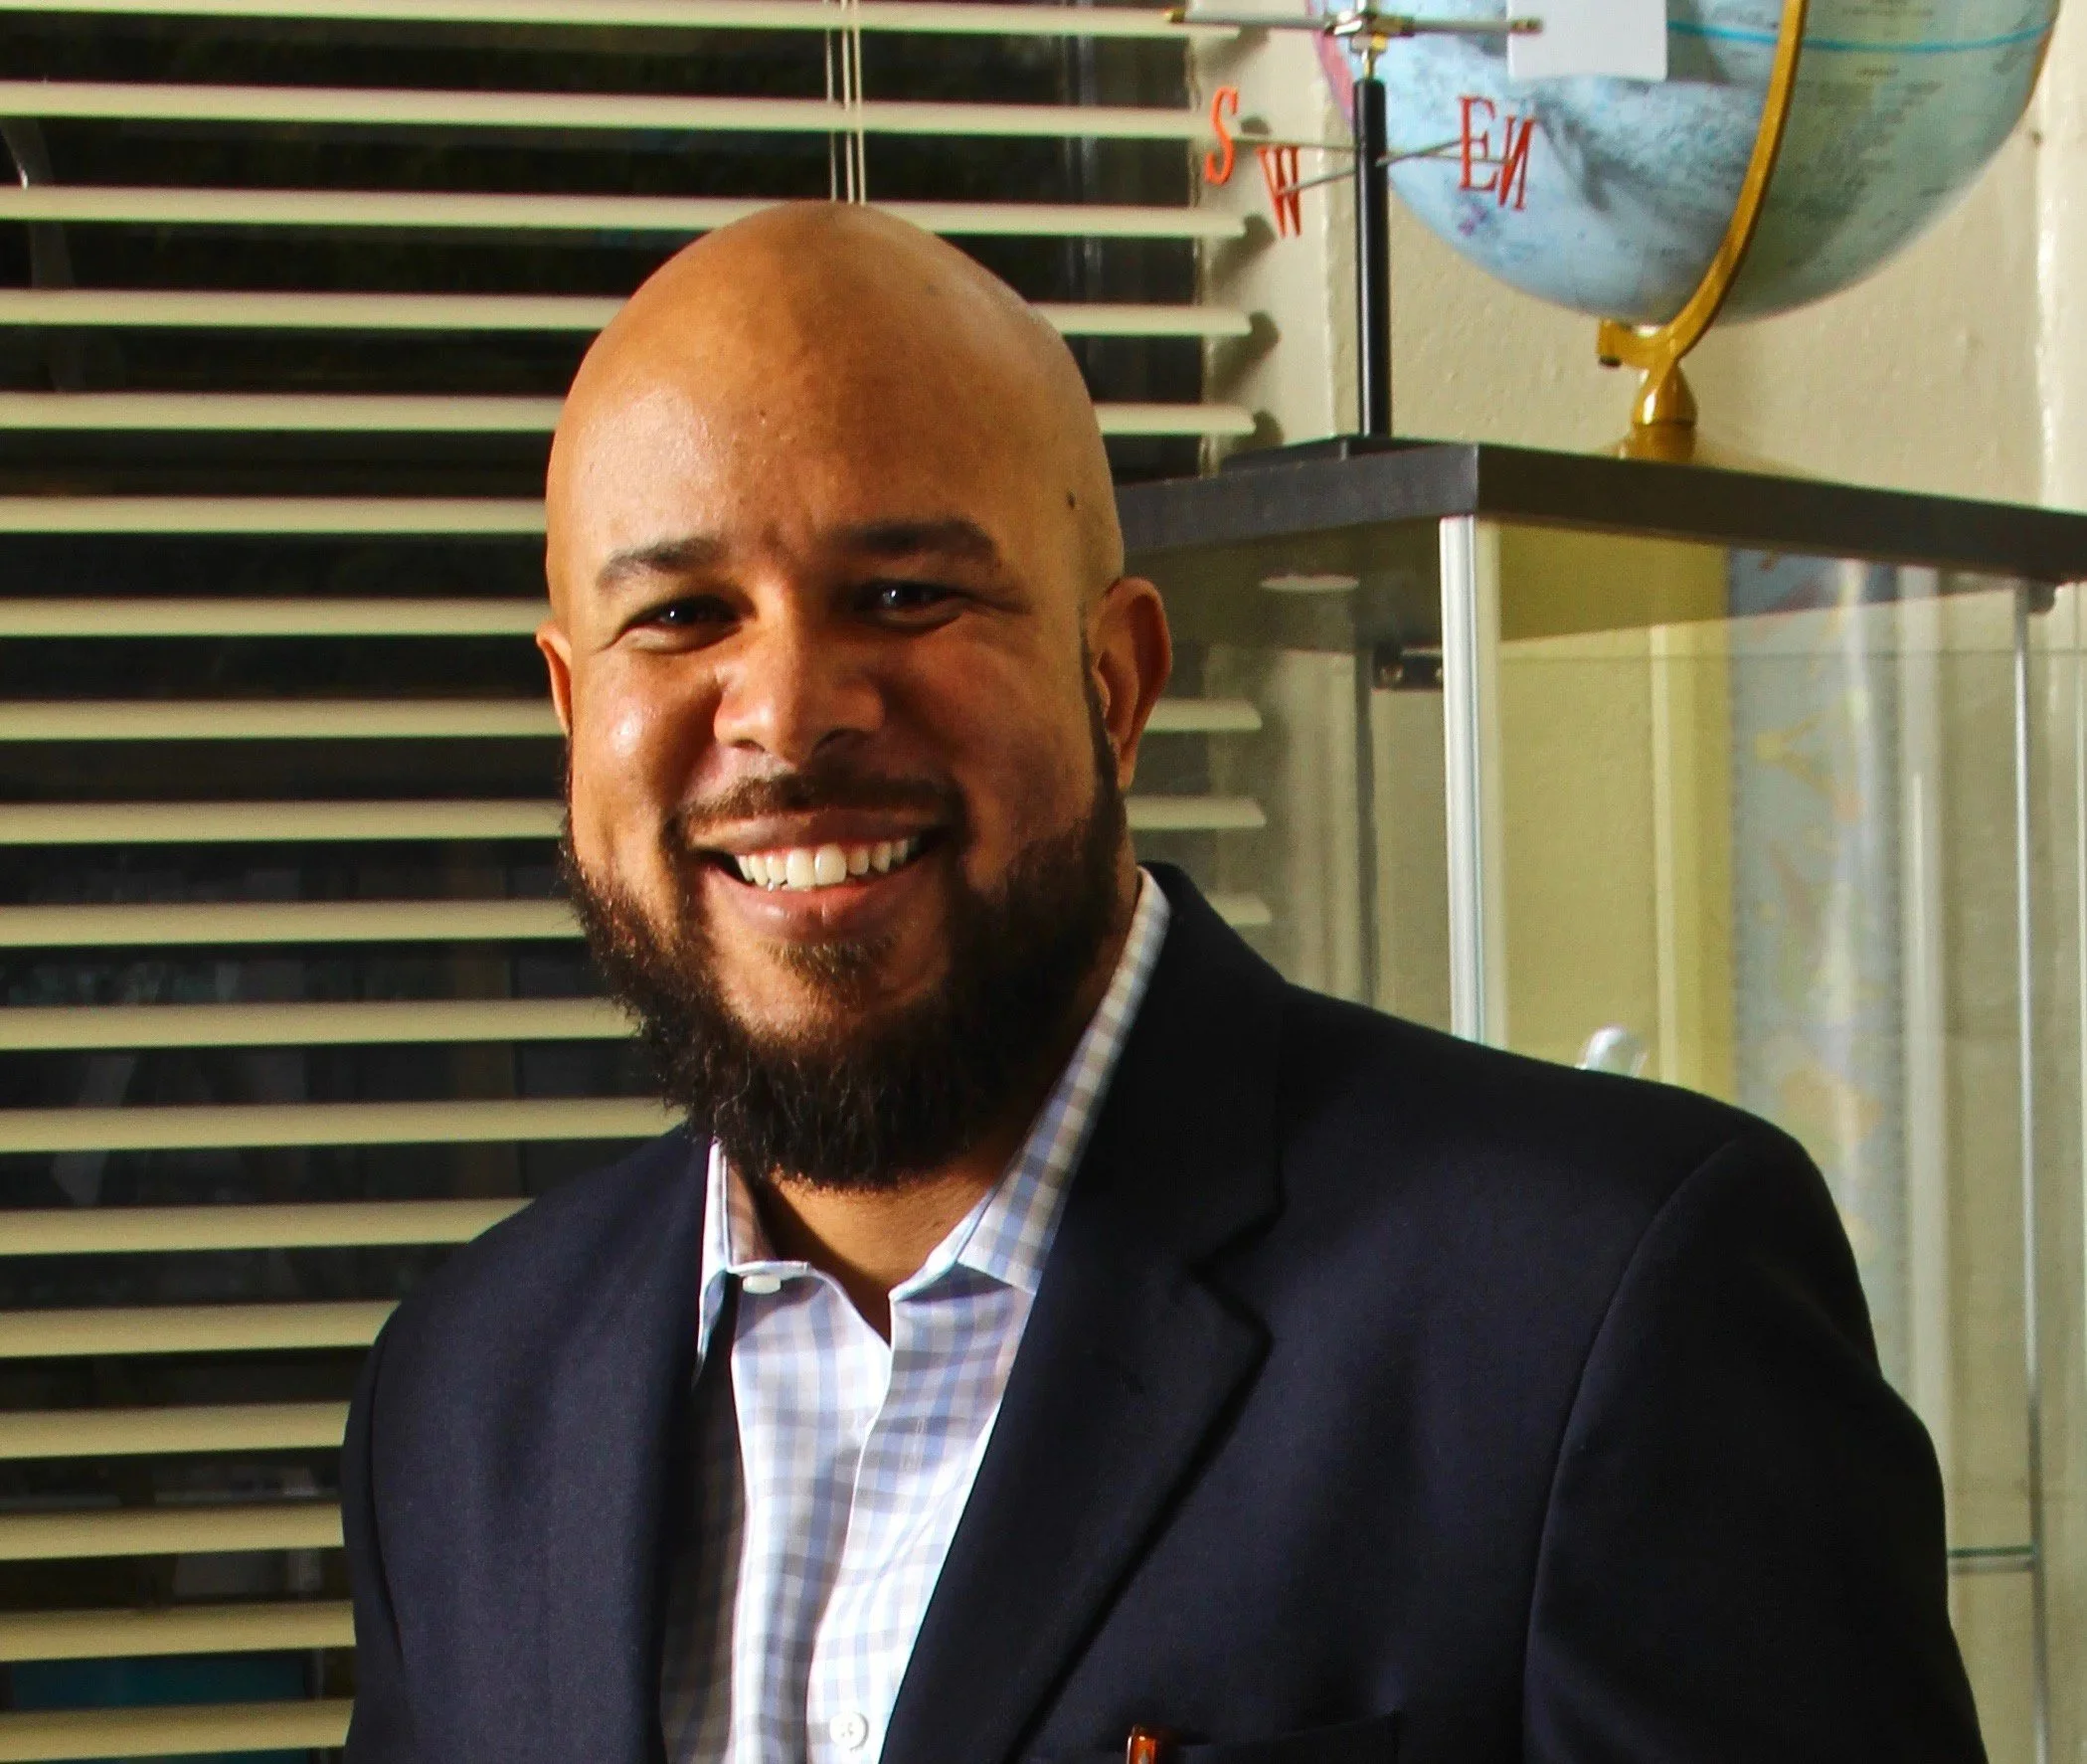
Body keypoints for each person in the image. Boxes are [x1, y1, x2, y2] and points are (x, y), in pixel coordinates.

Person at [340, 203, 1985, 1764]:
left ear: (1115, 679)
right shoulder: (468, 1392)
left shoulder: (1600, 1308)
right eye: (684, 613)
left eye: (905, 595)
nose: (785, 711)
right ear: (571, 710)